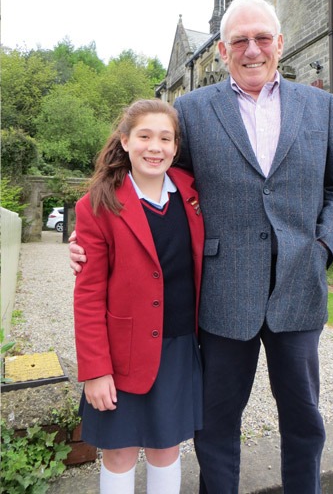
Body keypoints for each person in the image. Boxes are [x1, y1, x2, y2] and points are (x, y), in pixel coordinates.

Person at [71, 0, 333, 493]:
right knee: (217, 425)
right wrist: (92, 233)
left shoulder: (322, 107)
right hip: (224, 296)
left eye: (262, 38)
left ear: (280, 44)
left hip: (299, 290)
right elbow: (156, 180)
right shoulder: (192, 111)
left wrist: (323, 247)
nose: (252, 49)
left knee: (304, 421)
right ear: (223, 51)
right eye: (239, 41)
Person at [72, 99, 204, 494]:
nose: (155, 147)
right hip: (121, 351)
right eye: (144, 136)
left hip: (178, 345)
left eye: (166, 138)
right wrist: (95, 369)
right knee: (119, 452)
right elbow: (89, 295)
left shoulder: (193, 193)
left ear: (176, 148)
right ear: (125, 141)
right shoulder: (97, 204)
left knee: (167, 447)